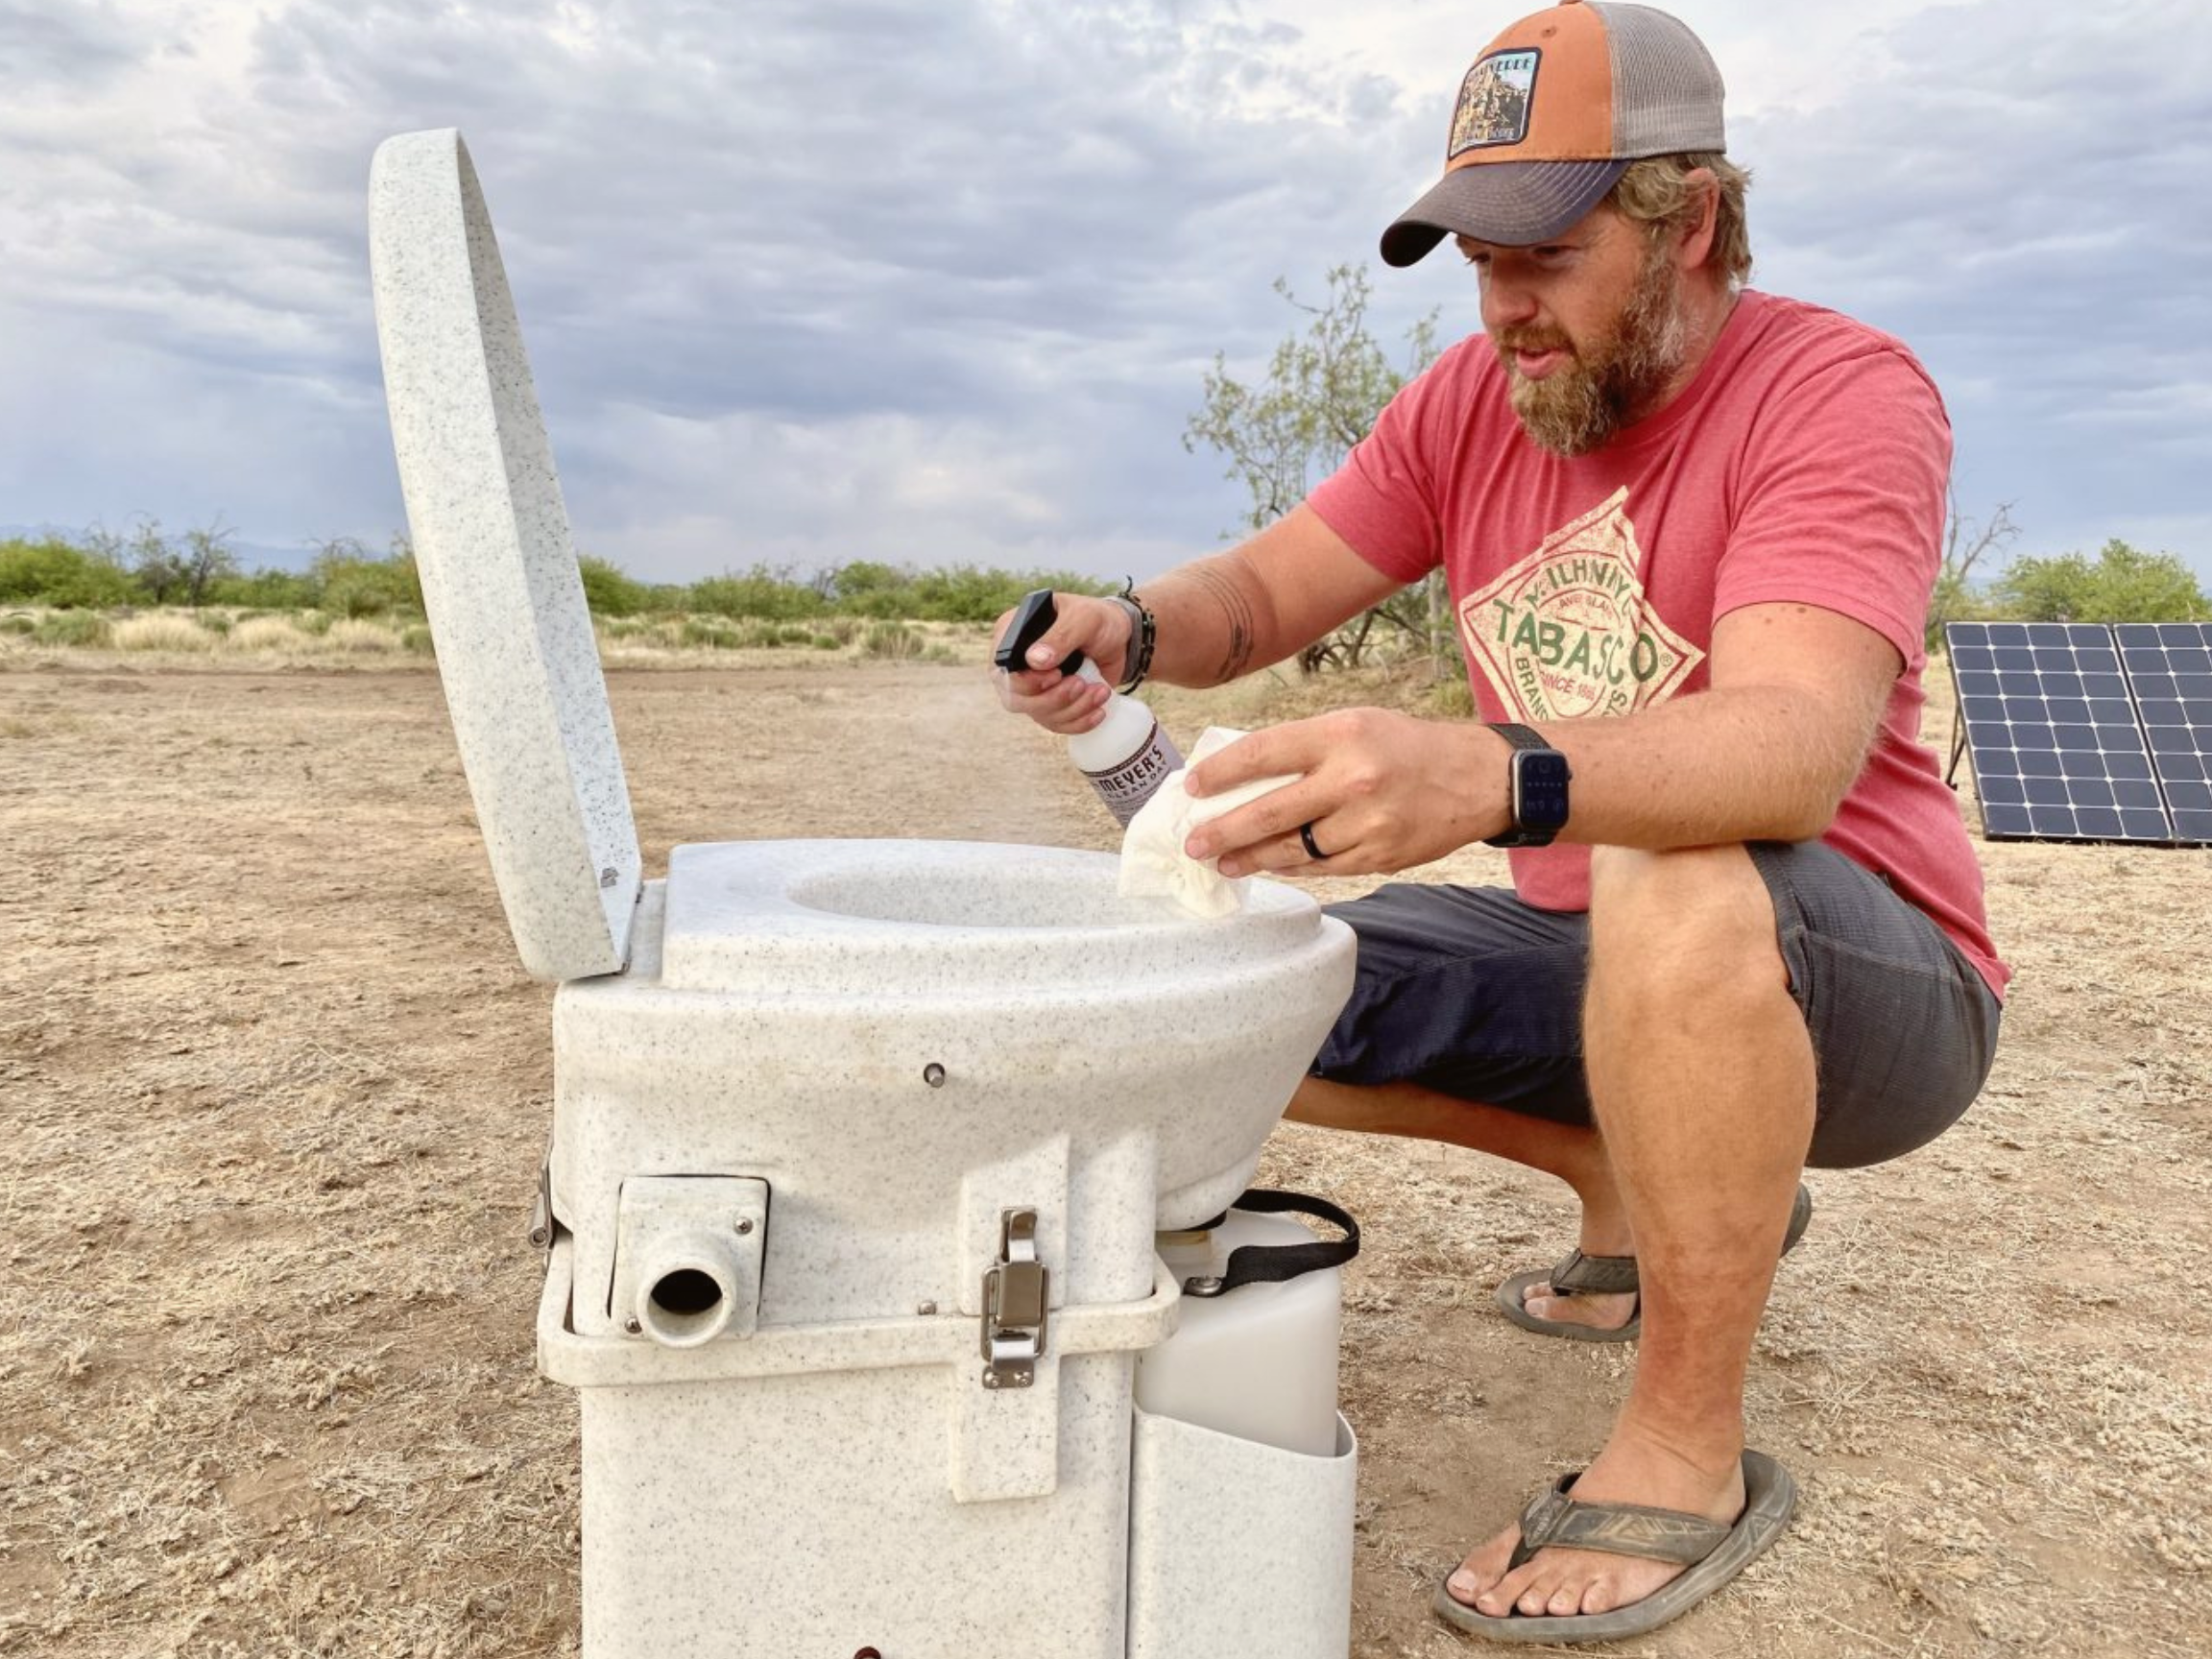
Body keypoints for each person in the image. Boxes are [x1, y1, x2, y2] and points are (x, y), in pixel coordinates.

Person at [996, 0, 2006, 1644]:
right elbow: (1261, 590)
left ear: (1693, 221)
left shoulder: (1839, 393)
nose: (1503, 305)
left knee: (1674, 869)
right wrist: (1135, 625)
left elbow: (1790, 753)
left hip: (1866, 979)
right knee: (1231, 987)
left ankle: (1683, 1447)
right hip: (1594, 953)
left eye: (1543, 251)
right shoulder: (1472, 401)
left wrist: (1486, 769)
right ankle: (1629, 1168)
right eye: (1474, 255)